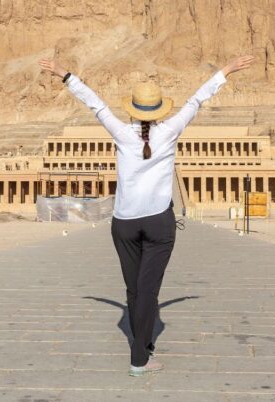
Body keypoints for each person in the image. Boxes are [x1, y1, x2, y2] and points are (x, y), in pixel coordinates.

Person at [39, 55, 255, 376]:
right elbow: (197, 99)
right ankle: (140, 358)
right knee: (148, 289)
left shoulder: (122, 133)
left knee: (134, 290)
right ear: (160, 110)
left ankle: (141, 347)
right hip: (158, 222)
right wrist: (225, 71)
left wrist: (65, 75)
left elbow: (95, 104)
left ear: (132, 109)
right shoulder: (169, 131)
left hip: (124, 223)